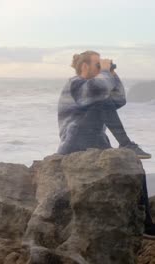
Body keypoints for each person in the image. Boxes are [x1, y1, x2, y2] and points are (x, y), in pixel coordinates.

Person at [57, 50, 155, 238]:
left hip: (94, 142)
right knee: (102, 102)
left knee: (134, 164)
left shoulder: (98, 87)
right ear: (84, 66)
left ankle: (146, 224)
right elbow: (98, 90)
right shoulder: (75, 84)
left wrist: (113, 75)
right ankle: (126, 143)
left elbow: (119, 100)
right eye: (97, 64)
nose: (101, 69)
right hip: (74, 141)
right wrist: (106, 71)